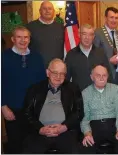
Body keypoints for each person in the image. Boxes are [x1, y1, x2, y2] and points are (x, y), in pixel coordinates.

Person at [23, 59, 84, 153]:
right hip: (40, 133)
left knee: (75, 150)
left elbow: (79, 112)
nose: (58, 76)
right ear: (48, 72)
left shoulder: (73, 88)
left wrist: (64, 126)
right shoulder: (34, 89)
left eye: (62, 73)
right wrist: (40, 129)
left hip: (65, 132)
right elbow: (27, 113)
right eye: (55, 73)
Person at [1, 26, 46, 154]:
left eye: (26, 37)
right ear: (13, 39)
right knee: (15, 144)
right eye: (19, 37)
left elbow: (42, 83)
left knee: (34, 143)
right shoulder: (3, 57)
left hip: (34, 109)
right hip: (12, 110)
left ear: (29, 39)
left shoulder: (37, 57)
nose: (23, 40)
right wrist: (3, 106)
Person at [80, 65, 118, 154]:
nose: (102, 78)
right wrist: (87, 133)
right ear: (92, 77)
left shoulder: (114, 88)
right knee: (87, 146)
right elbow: (85, 118)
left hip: (113, 125)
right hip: (94, 126)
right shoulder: (85, 93)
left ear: (107, 76)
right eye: (98, 75)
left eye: (104, 75)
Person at [65, 24, 112, 91]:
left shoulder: (100, 53)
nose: (87, 37)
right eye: (84, 34)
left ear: (93, 37)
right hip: (79, 96)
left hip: (99, 95)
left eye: (90, 34)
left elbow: (108, 76)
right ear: (79, 35)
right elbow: (66, 79)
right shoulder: (71, 55)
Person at [26, 1, 64, 68]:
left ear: (53, 11)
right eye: (44, 8)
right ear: (40, 11)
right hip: (36, 68)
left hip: (57, 71)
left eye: (50, 9)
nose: (47, 11)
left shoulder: (61, 27)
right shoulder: (30, 27)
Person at [94, 7, 118, 85]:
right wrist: (109, 61)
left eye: (116, 18)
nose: (114, 20)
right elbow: (94, 55)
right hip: (106, 74)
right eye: (111, 17)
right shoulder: (98, 33)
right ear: (105, 18)